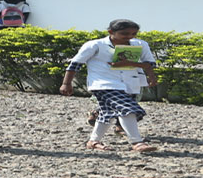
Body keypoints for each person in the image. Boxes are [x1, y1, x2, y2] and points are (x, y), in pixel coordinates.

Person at [59, 19, 159, 152]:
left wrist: (149, 76)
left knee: (108, 113)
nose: (129, 37)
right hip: (103, 84)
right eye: (125, 34)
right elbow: (75, 64)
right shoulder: (95, 45)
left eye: (133, 34)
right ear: (111, 32)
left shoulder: (140, 44)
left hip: (130, 83)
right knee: (127, 109)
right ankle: (137, 142)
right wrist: (66, 83)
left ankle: (93, 141)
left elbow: (149, 64)